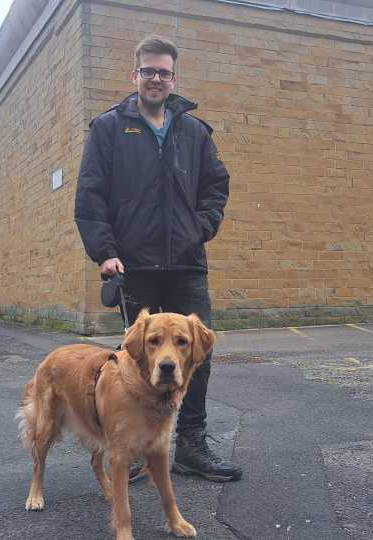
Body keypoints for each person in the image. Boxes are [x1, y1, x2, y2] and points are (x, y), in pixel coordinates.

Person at [74, 35, 241, 483]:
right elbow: (90, 195)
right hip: (134, 265)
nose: (156, 79)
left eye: (164, 72)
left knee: (194, 355)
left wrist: (201, 228)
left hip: (186, 263)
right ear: (135, 75)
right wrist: (105, 252)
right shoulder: (109, 128)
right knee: (134, 362)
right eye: (148, 71)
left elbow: (216, 186)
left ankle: (189, 444)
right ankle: (130, 446)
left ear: (173, 77)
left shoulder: (194, 131)